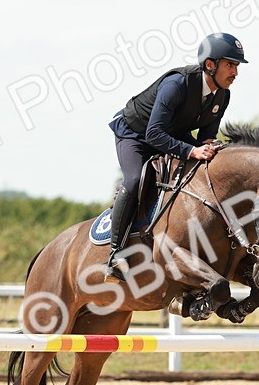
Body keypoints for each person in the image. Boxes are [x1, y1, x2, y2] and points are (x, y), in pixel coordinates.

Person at [105, 32, 247, 279]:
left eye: (237, 66)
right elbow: (153, 134)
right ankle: (116, 253)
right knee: (135, 180)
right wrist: (192, 150)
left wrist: (210, 147)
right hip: (136, 134)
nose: (235, 72)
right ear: (210, 64)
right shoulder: (177, 85)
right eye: (230, 65)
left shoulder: (222, 95)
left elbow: (206, 137)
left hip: (170, 135)